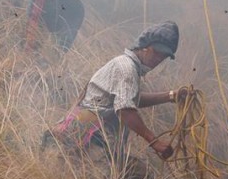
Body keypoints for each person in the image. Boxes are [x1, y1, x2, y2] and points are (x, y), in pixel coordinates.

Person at [48, 21, 186, 163]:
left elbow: (130, 99)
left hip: (87, 137)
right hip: (84, 138)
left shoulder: (126, 65)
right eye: (156, 52)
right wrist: (154, 141)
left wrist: (171, 96)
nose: (158, 59)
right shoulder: (127, 69)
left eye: (163, 56)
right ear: (144, 46)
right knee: (127, 177)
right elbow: (125, 110)